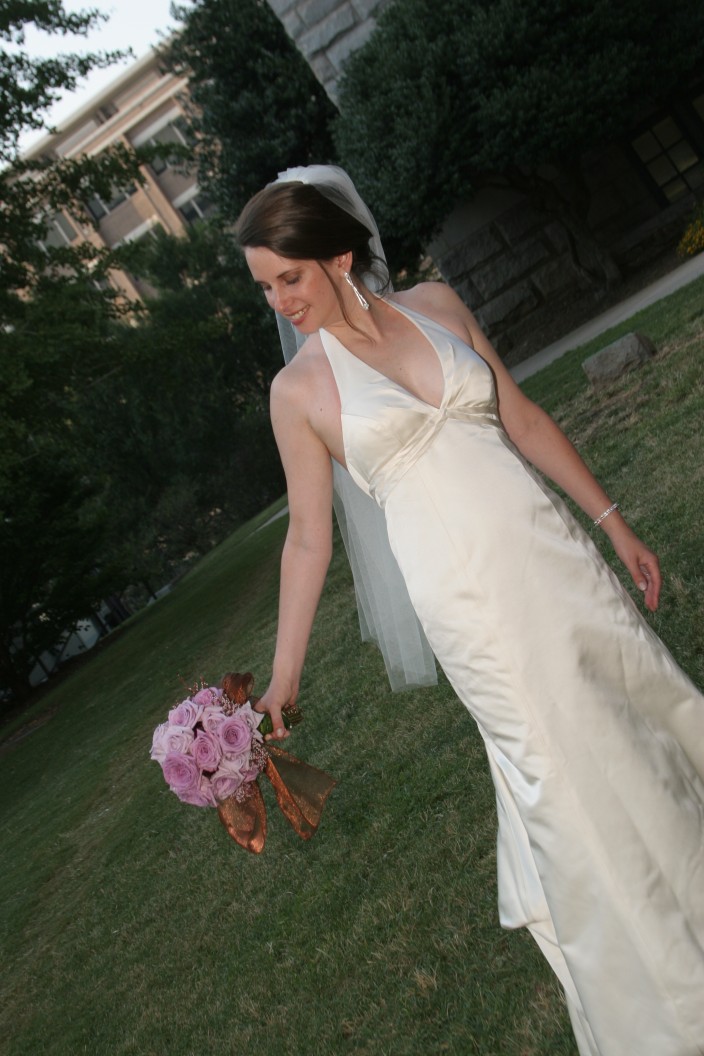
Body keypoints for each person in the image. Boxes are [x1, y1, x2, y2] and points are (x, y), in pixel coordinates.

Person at [235, 165, 704, 1056]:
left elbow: (521, 419)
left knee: (637, 704)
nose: (280, 302)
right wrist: (283, 677)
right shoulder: (298, 394)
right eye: (264, 287)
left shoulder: (439, 306)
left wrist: (613, 522)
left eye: (288, 278)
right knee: (562, 774)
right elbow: (306, 541)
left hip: (551, 554)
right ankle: (663, 1004)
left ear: (338, 255)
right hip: (468, 603)